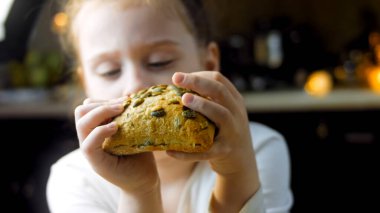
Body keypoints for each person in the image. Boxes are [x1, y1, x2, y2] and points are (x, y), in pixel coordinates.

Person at [46, 0, 293, 212]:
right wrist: (139, 191)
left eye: (158, 62)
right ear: (84, 83)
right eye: (110, 71)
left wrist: (236, 171)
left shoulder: (259, 148)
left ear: (208, 62)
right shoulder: (73, 179)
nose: (134, 86)